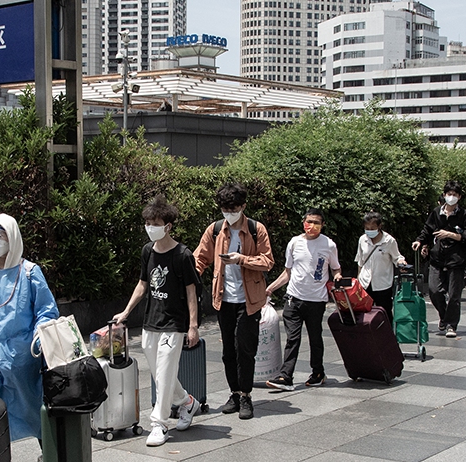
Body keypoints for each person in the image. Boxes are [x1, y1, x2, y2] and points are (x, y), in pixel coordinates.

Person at [0, 214, 60, 462]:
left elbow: (46, 309)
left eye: (0, 236)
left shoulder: (29, 272)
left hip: (21, 354)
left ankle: (50, 456)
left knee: (31, 404)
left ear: (13, 238)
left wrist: (40, 333)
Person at [112, 197, 201, 446]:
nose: (151, 227)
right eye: (148, 223)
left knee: (163, 372)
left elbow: (192, 291)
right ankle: (187, 402)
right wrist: (126, 311)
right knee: (161, 374)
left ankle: (159, 424)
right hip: (151, 321)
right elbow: (143, 284)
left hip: (174, 323)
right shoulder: (147, 251)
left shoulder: (183, 255)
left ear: (168, 226)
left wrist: (192, 326)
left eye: (156, 223)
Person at [193, 183, 274, 420]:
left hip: (250, 299)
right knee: (229, 349)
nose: (228, 213)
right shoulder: (216, 229)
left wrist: (241, 259)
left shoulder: (255, 229)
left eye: (233, 208)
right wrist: (189, 278)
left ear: (243, 206)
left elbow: (267, 262)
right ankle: (235, 393)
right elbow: (201, 258)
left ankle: (246, 395)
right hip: (223, 298)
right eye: (224, 208)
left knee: (245, 348)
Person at [264, 208, 343, 391]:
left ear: (323, 225)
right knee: (293, 338)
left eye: (317, 222)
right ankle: (286, 376)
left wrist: (337, 277)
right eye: (309, 222)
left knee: (315, 338)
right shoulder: (294, 243)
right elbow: (287, 272)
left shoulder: (328, 245)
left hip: (316, 300)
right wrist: (270, 289)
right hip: (293, 298)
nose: (312, 226)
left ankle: (318, 372)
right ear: (303, 223)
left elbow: (336, 268)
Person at [413, 180, 466, 338]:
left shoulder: (465, 215)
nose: (451, 197)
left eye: (455, 195)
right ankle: (444, 315)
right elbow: (427, 230)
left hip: (457, 259)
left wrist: (450, 235)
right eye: (449, 194)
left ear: (459, 197)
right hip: (437, 257)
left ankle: (451, 325)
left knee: (454, 294)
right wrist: (420, 241)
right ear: (444, 195)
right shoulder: (436, 213)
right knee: (434, 290)